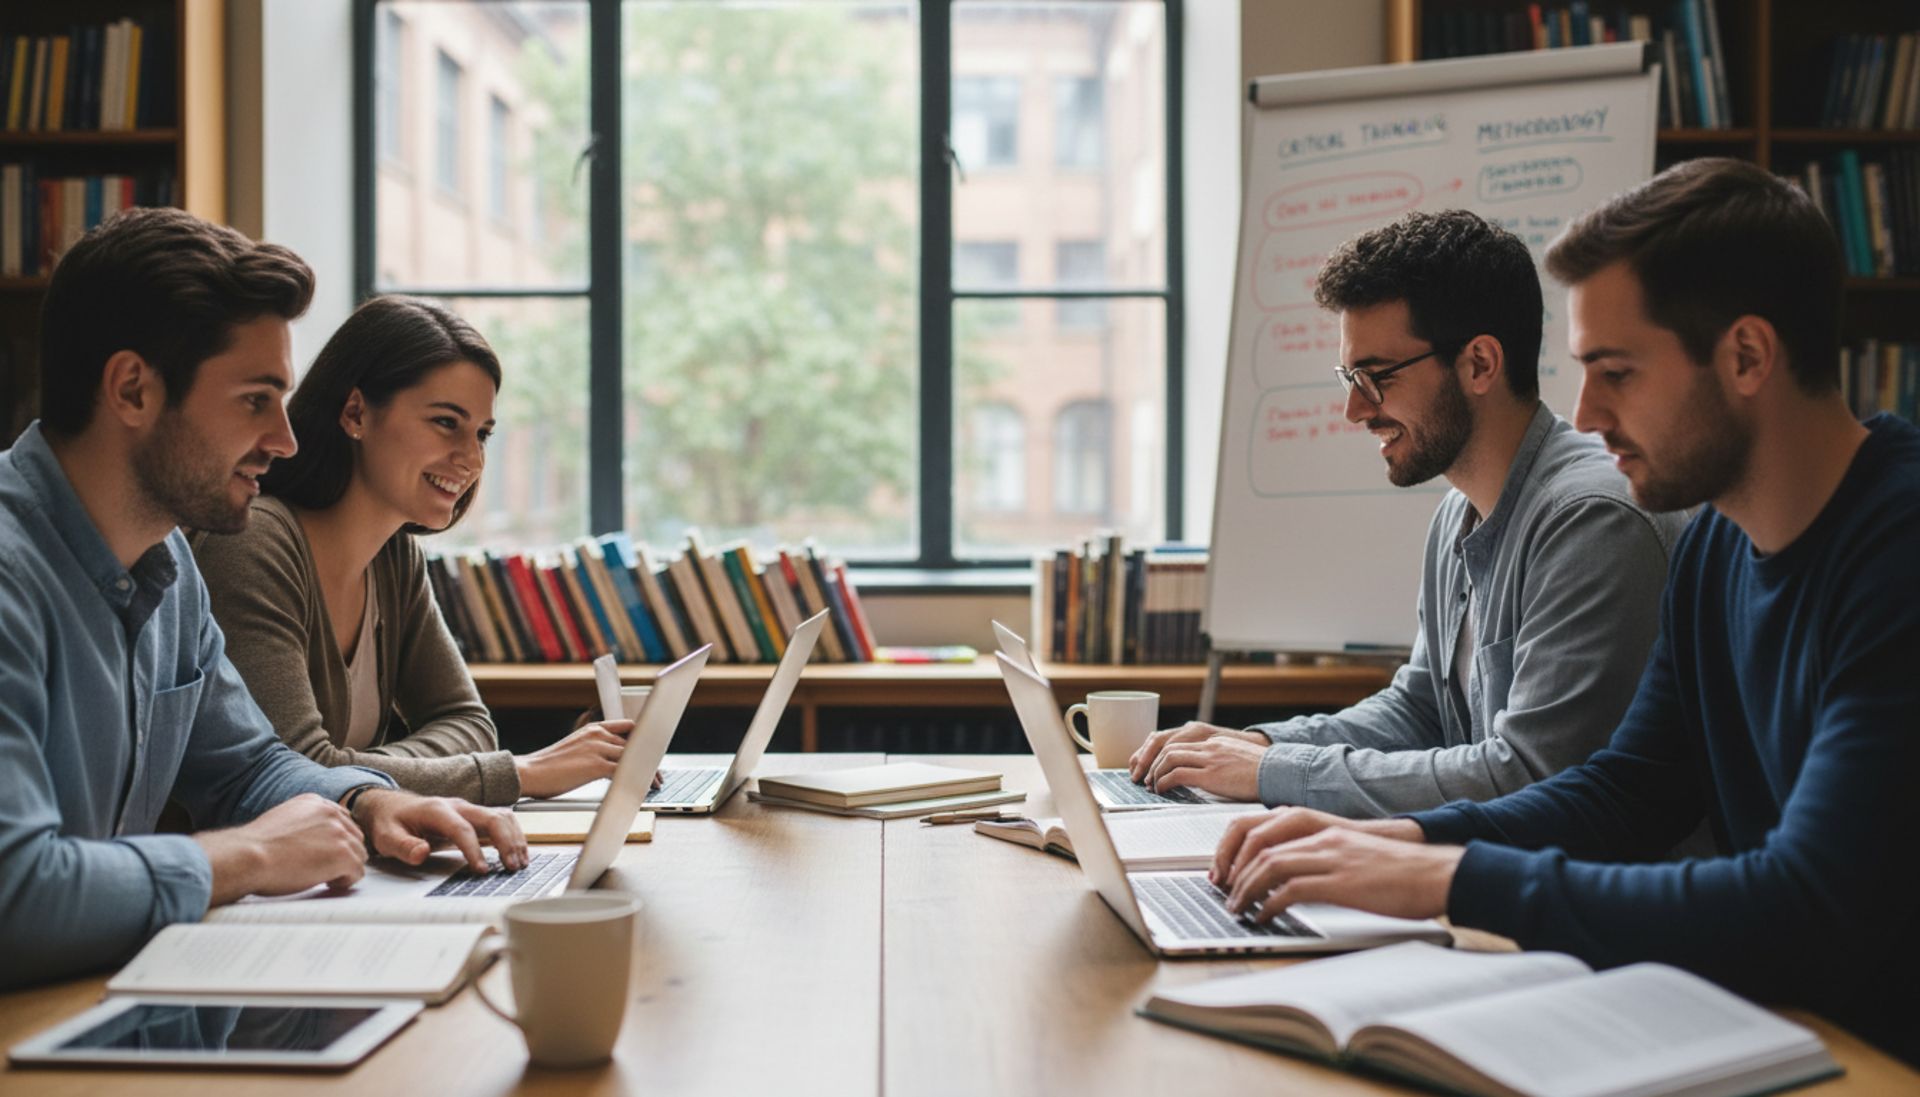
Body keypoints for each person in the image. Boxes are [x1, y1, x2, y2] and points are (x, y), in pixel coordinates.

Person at [1210, 158, 1920, 1065]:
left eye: (1617, 372)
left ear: (1747, 356)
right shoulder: (1716, 548)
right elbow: (1624, 790)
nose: (1586, 412)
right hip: (1792, 1027)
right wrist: (1394, 838)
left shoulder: (1897, 554)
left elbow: (1805, 902)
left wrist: (1446, 874)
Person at [0, 208, 528, 990]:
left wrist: (366, 799)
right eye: (255, 399)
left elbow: (248, 767)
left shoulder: (167, 561)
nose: (285, 438)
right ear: (134, 389)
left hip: (84, 1001)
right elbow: (15, 897)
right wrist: (245, 856)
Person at [1129, 210, 1685, 817]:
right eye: (1350, 376)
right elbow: (1419, 712)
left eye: (1376, 377)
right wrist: (1256, 744)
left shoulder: (1592, 521)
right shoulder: (1457, 516)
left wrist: (1272, 771)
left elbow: (1530, 775)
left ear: (1479, 364)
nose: (1353, 410)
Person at [190, 296, 637, 806]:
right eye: (446, 422)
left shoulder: (394, 557)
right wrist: (519, 773)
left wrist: (358, 766)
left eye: (483, 434)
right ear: (355, 412)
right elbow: (299, 774)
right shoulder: (254, 545)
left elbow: (468, 724)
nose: (471, 458)